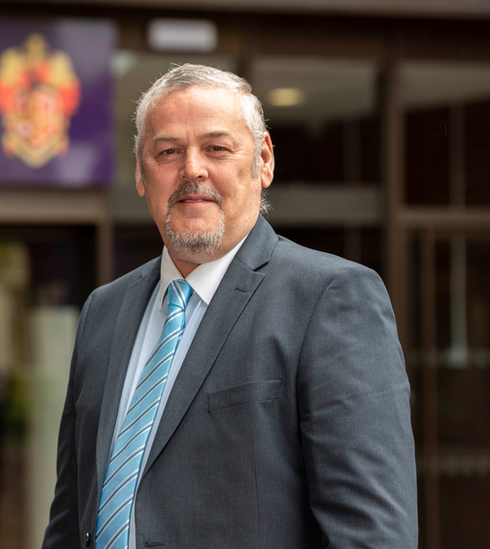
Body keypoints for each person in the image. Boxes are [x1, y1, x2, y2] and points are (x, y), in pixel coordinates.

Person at [41, 64, 417, 549]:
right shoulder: (103, 311)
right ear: (140, 173)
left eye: (216, 148)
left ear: (263, 161)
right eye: (168, 151)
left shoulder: (330, 299)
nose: (192, 168)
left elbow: (371, 534)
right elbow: (71, 519)